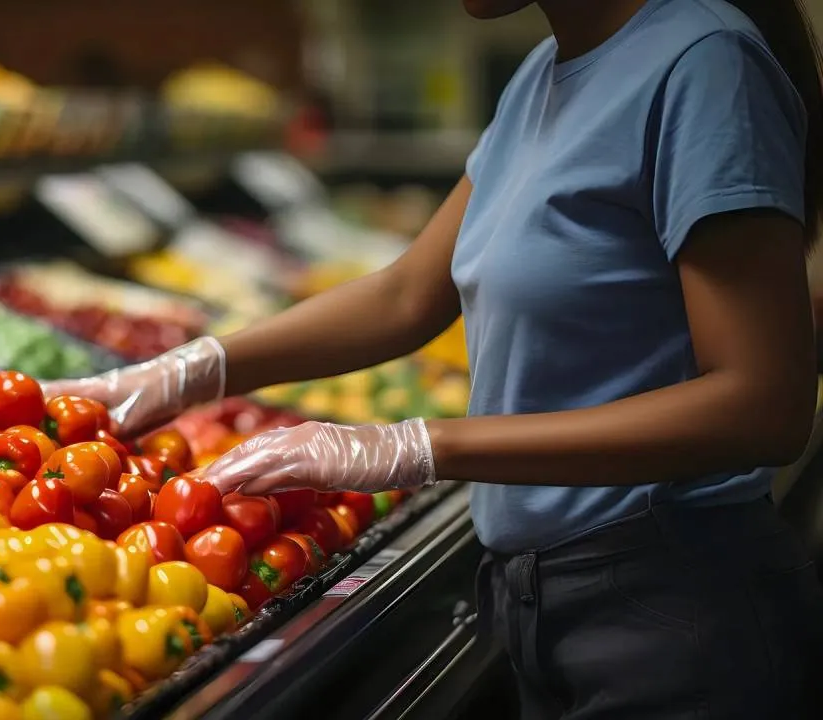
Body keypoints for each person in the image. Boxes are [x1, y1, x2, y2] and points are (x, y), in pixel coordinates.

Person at [45, 0, 823, 717]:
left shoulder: (705, 63)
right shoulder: (542, 74)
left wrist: (420, 445)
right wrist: (189, 369)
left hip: (673, 605)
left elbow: (763, 404)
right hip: (539, 596)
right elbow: (406, 296)